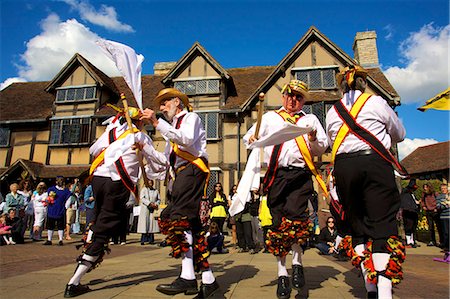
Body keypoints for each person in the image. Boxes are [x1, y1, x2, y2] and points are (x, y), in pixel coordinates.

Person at [64, 105, 166, 298]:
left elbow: (94, 150)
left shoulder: (110, 131)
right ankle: (74, 281)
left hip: (97, 179)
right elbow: (161, 162)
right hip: (117, 183)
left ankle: (93, 234)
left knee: (101, 220)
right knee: (106, 227)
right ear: (138, 122)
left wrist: (113, 150)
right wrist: (146, 152)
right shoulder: (140, 137)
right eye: (143, 122)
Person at [326, 65, 406, 299]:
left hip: (343, 168)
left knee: (357, 225)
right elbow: (399, 134)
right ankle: (383, 291)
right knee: (382, 224)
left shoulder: (333, 111)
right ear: (363, 83)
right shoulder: (376, 102)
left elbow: (333, 143)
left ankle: (369, 287)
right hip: (373, 164)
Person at [244, 79, 328, 299]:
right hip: (276, 176)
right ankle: (282, 273)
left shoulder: (309, 120)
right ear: (283, 97)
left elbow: (322, 147)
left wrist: (313, 138)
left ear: (303, 101)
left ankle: (297, 262)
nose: (293, 100)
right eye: (290, 95)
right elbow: (248, 139)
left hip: (300, 175)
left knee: (297, 218)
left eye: (298, 97)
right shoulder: (270, 117)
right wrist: (252, 138)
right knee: (277, 224)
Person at [141, 87, 220, 298]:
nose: (161, 107)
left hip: (193, 169)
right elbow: (166, 161)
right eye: (160, 104)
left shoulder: (190, 118)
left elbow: (185, 139)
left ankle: (187, 277)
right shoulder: (171, 129)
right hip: (181, 174)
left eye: (165, 102)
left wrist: (157, 123)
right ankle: (208, 279)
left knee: (178, 218)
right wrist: (144, 148)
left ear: (177, 102)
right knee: (191, 226)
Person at [43, 176, 71, 246]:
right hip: (51, 209)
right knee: (50, 226)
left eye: (61, 180)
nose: (60, 182)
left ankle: (60, 240)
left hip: (60, 210)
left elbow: (69, 199)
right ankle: (49, 239)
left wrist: (65, 207)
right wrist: (47, 200)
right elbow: (46, 198)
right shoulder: (51, 189)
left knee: (60, 226)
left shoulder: (66, 191)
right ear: (56, 181)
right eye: (58, 180)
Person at [137, 180, 160, 245]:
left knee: (151, 224)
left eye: (151, 183)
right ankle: (143, 239)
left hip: (153, 209)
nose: (150, 184)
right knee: (145, 224)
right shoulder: (144, 190)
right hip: (145, 208)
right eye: (149, 183)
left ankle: (151, 240)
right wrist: (149, 203)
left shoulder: (156, 191)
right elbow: (142, 198)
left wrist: (155, 204)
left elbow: (158, 199)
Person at [399, 179, 420, 247]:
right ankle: (409, 241)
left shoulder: (412, 194)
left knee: (413, 226)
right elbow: (406, 203)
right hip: (408, 212)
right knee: (408, 226)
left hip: (413, 212)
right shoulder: (406, 193)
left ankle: (412, 241)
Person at [436, 183, 449, 251]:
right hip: (443, 216)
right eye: (442, 189)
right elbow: (438, 206)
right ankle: (446, 247)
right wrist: (445, 205)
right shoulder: (439, 197)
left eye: (445, 188)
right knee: (445, 232)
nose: (443, 190)